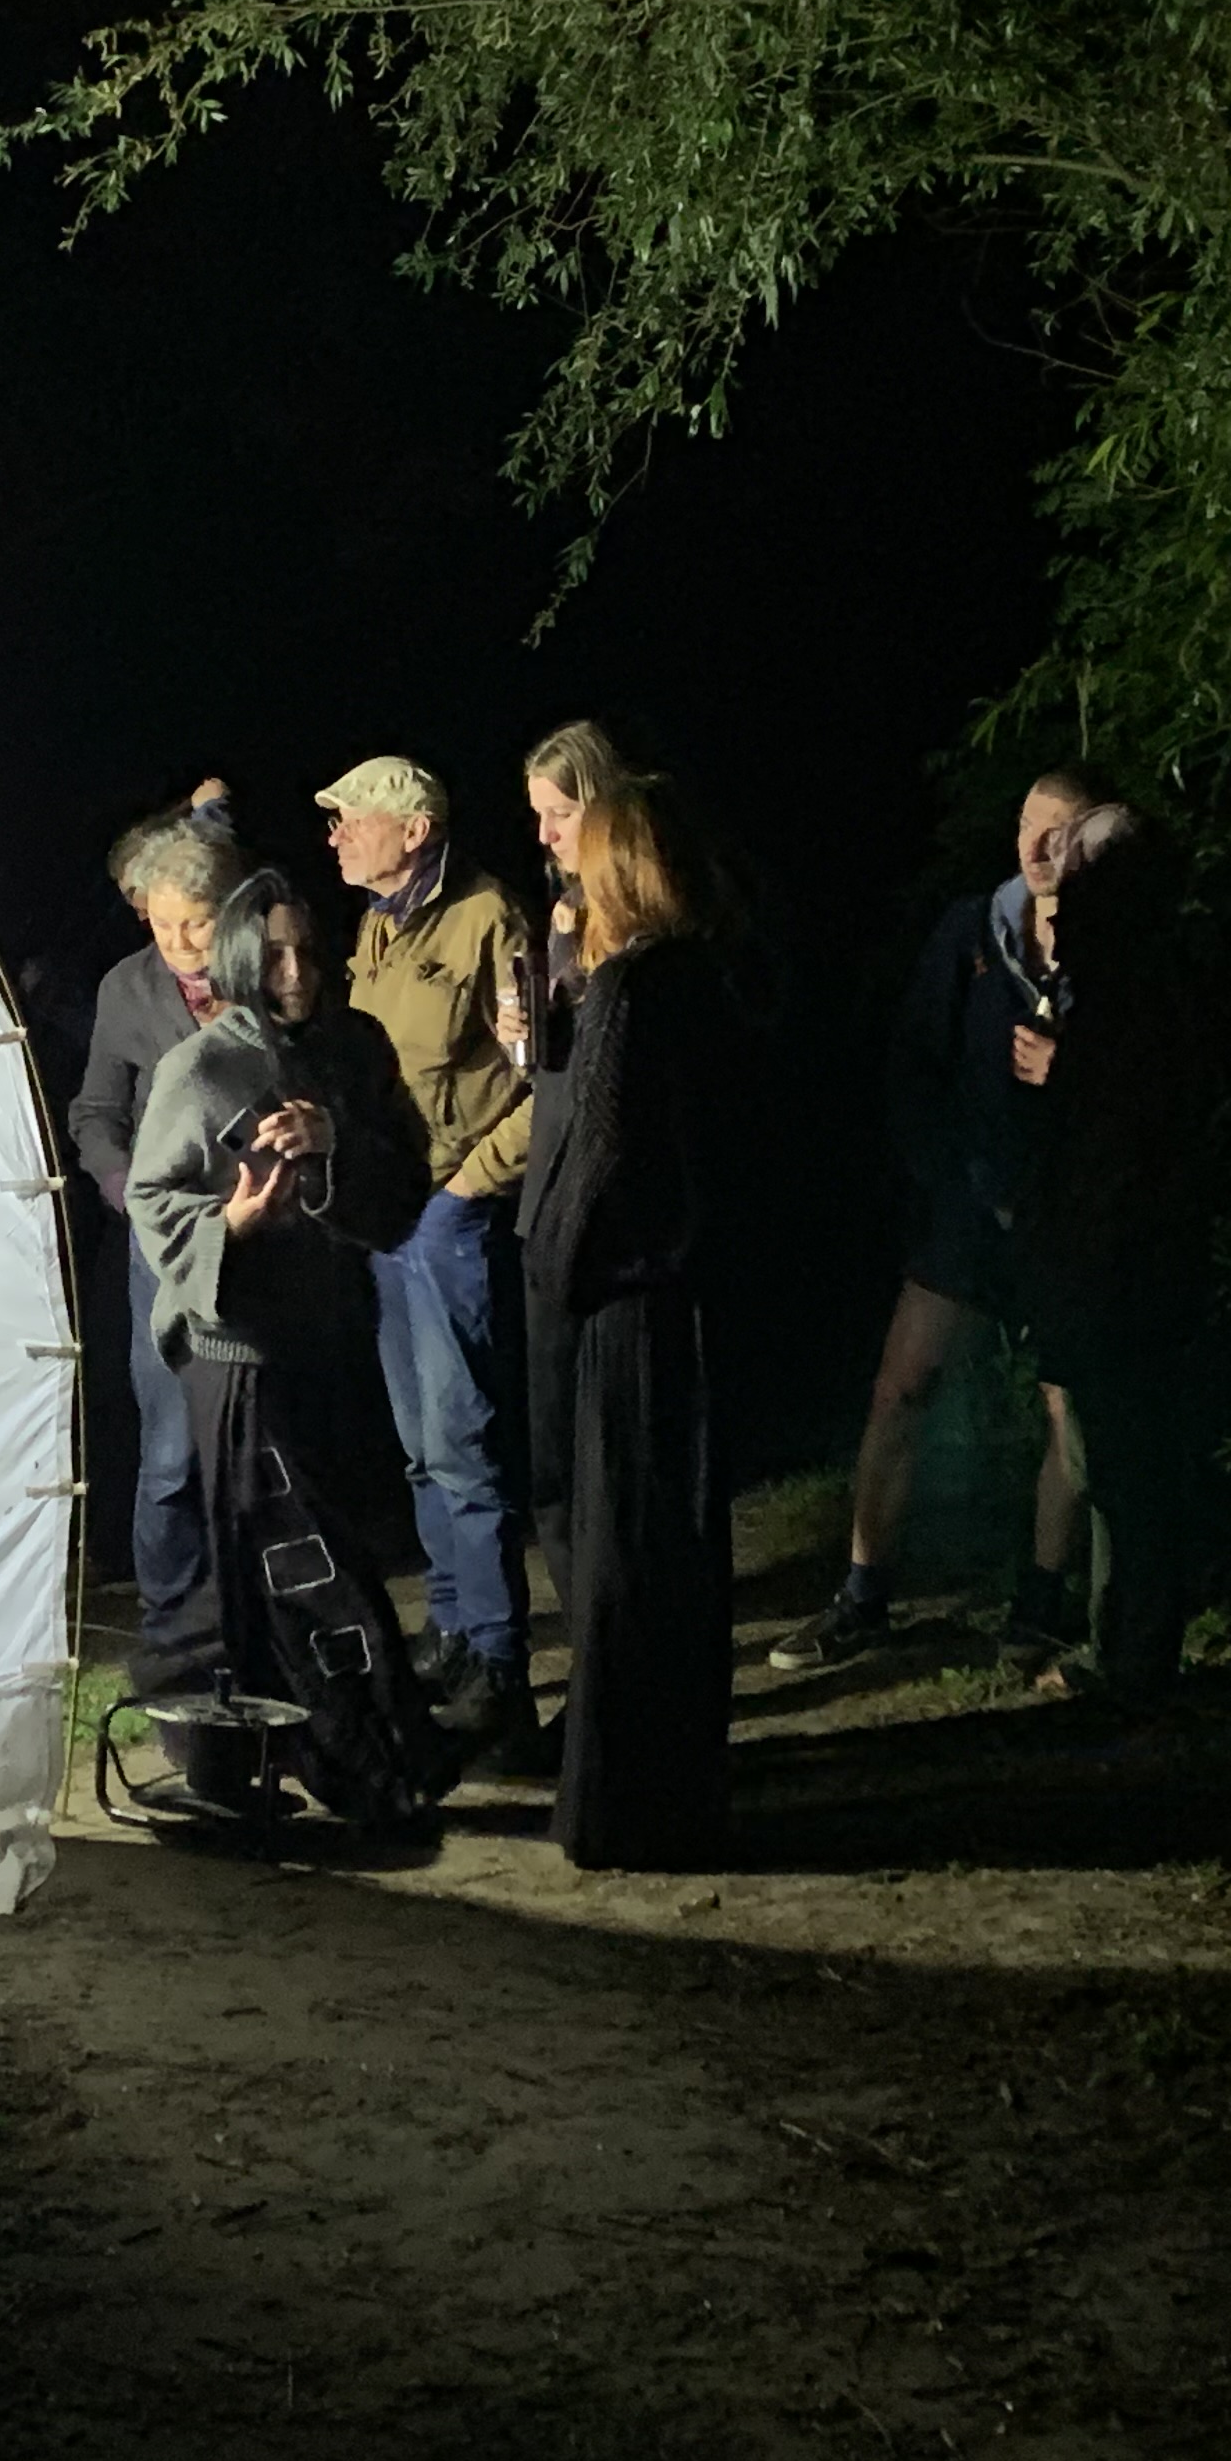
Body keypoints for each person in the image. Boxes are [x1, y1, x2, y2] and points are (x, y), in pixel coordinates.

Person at [126, 867, 459, 1828]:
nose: (296, 969)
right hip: (239, 1356)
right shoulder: (205, 1068)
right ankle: (372, 1760)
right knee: (301, 1560)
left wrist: (336, 1142)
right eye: (272, 953)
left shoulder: (355, 1050)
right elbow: (154, 1197)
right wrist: (229, 1223)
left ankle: (223, 1753)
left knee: (282, 1557)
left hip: (334, 1341)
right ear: (237, 959)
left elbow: (404, 1178)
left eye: (307, 948)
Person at [769, 766, 1105, 1677]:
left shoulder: (1112, 947)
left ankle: (1039, 1606)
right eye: (1029, 827)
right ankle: (862, 1596)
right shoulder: (973, 932)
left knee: (1067, 1414)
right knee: (901, 1385)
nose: (1040, 849)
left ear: (1096, 841)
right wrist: (944, 1178)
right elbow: (914, 1061)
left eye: (1062, 833)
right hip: (965, 1208)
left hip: (1060, 1218)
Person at [520, 784, 736, 1869]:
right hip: (690, 1299)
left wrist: (555, 1266)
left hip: (625, 1305)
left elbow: (599, 1150)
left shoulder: (632, 988)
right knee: (682, 1551)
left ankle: (620, 1809)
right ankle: (683, 1791)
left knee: (622, 1558)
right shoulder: (708, 975)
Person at [315, 753, 537, 1735]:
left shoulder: (489, 918)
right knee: (419, 1448)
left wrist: (472, 1183)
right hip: (391, 1210)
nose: (335, 833)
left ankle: (497, 1656)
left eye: (349, 817)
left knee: (464, 1441)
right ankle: (450, 1631)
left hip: (449, 1209)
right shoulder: (378, 925)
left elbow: (542, 1078)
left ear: (414, 829)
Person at [1012, 806, 1227, 1694]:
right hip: (1116, 1266)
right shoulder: (1121, 992)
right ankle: (1125, 1644)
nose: (1062, 902)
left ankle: (1134, 1656)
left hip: (1123, 1270)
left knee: (1129, 1463)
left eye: (1083, 880)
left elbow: (1128, 1144)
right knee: (1115, 1459)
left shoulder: (1136, 997)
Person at [67, 801, 254, 1672]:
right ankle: (171, 1638)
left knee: (258, 1446)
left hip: (265, 1232)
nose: (182, 942)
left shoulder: (267, 978)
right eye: (165, 924)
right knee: (171, 1449)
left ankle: (260, 1630)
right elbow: (97, 1111)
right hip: (166, 1241)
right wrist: (123, 1188)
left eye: (200, 923)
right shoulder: (128, 989)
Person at [477, 719, 640, 1679]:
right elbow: (556, 1075)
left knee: (604, 1454)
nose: (543, 835)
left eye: (560, 812)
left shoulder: (646, 934)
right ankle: (592, 1651)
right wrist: (520, 1041)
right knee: (549, 1458)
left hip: (608, 1217)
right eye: (536, 814)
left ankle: (624, 1654)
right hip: (548, 1201)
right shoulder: (563, 918)